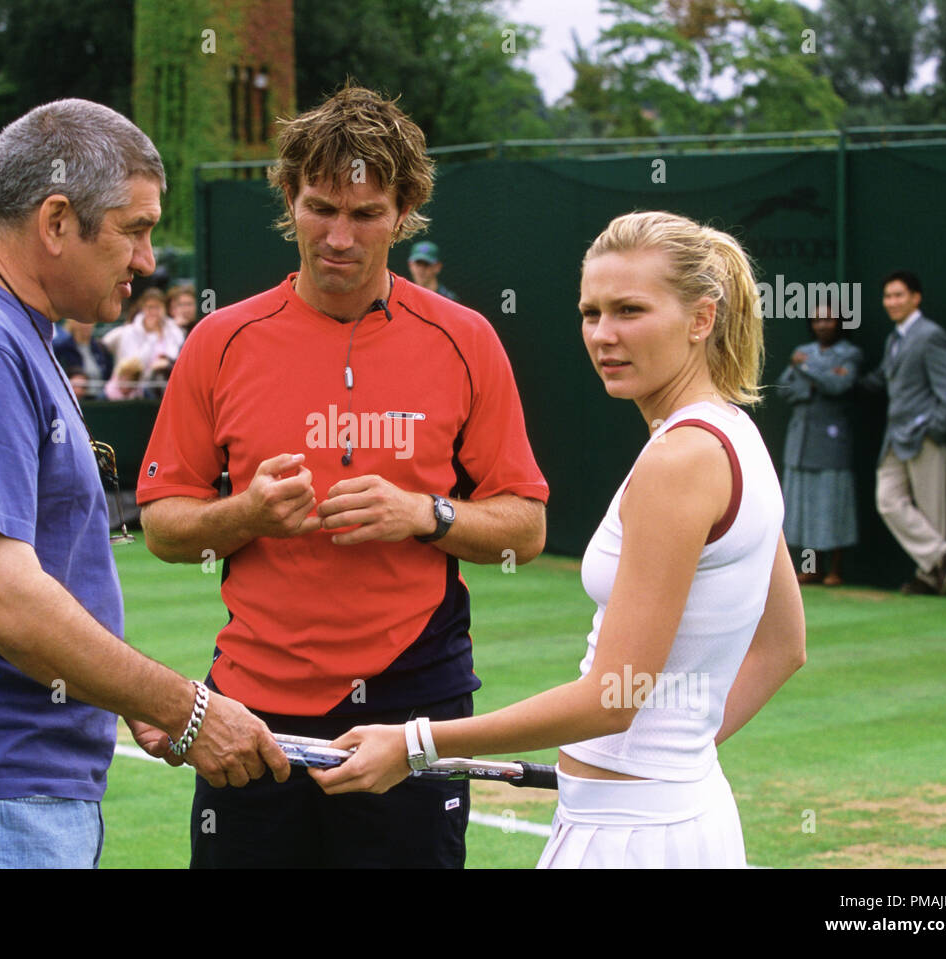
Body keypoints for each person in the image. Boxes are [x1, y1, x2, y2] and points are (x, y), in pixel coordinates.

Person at [0, 98, 288, 870]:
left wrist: (126, 697)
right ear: (56, 221)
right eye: (136, 228)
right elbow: (2, 598)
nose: (148, 260)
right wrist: (182, 708)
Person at [312, 211, 807, 870]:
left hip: (631, 838)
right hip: (677, 813)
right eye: (590, 312)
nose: (604, 334)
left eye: (630, 310)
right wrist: (674, 757)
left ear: (701, 318)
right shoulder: (735, 434)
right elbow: (784, 646)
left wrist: (414, 742)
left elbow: (613, 697)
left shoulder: (679, 461)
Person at [136, 84, 549, 868]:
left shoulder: (466, 340)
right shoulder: (221, 341)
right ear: (289, 197)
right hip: (252, 713)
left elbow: (525, 526)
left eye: (366, 214)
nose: (339, 236)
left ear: (405, 211)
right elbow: (161, 523)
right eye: (321, 207)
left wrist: (426, 512)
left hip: (412, 704)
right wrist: (247, 513)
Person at [860, 271, 946, 595]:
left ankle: (930, 576)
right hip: (895, 436)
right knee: (887, 500)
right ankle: (939, 556)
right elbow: (883, 379)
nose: (891, 302)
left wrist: (935, 428)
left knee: (931, 510)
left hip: (924, 436)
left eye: (898, 295)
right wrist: (845, 379)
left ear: (915, 298)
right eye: (888, 296)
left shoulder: (930, 335)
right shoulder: (895, 339)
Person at [777, 306, 863, 585]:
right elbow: (784, 388)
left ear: (839, 323)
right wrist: (815, 382)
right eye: (817, 320)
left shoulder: (849, 354)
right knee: (804, 506)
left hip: (831, 441)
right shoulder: (804, 349)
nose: (822, 325)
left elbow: (839, 386)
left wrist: (805, 368)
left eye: (828, 319)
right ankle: (811, 568)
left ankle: (835, 570)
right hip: (800, 441)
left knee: (832, 502)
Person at [53, 318, 113, 400]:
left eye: (89, 322)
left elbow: (109, 375)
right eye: (82, 322)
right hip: (74, 398)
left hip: (101, 399)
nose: (86, 326)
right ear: (73, 324)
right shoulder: (62, 347)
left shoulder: (101, 348)